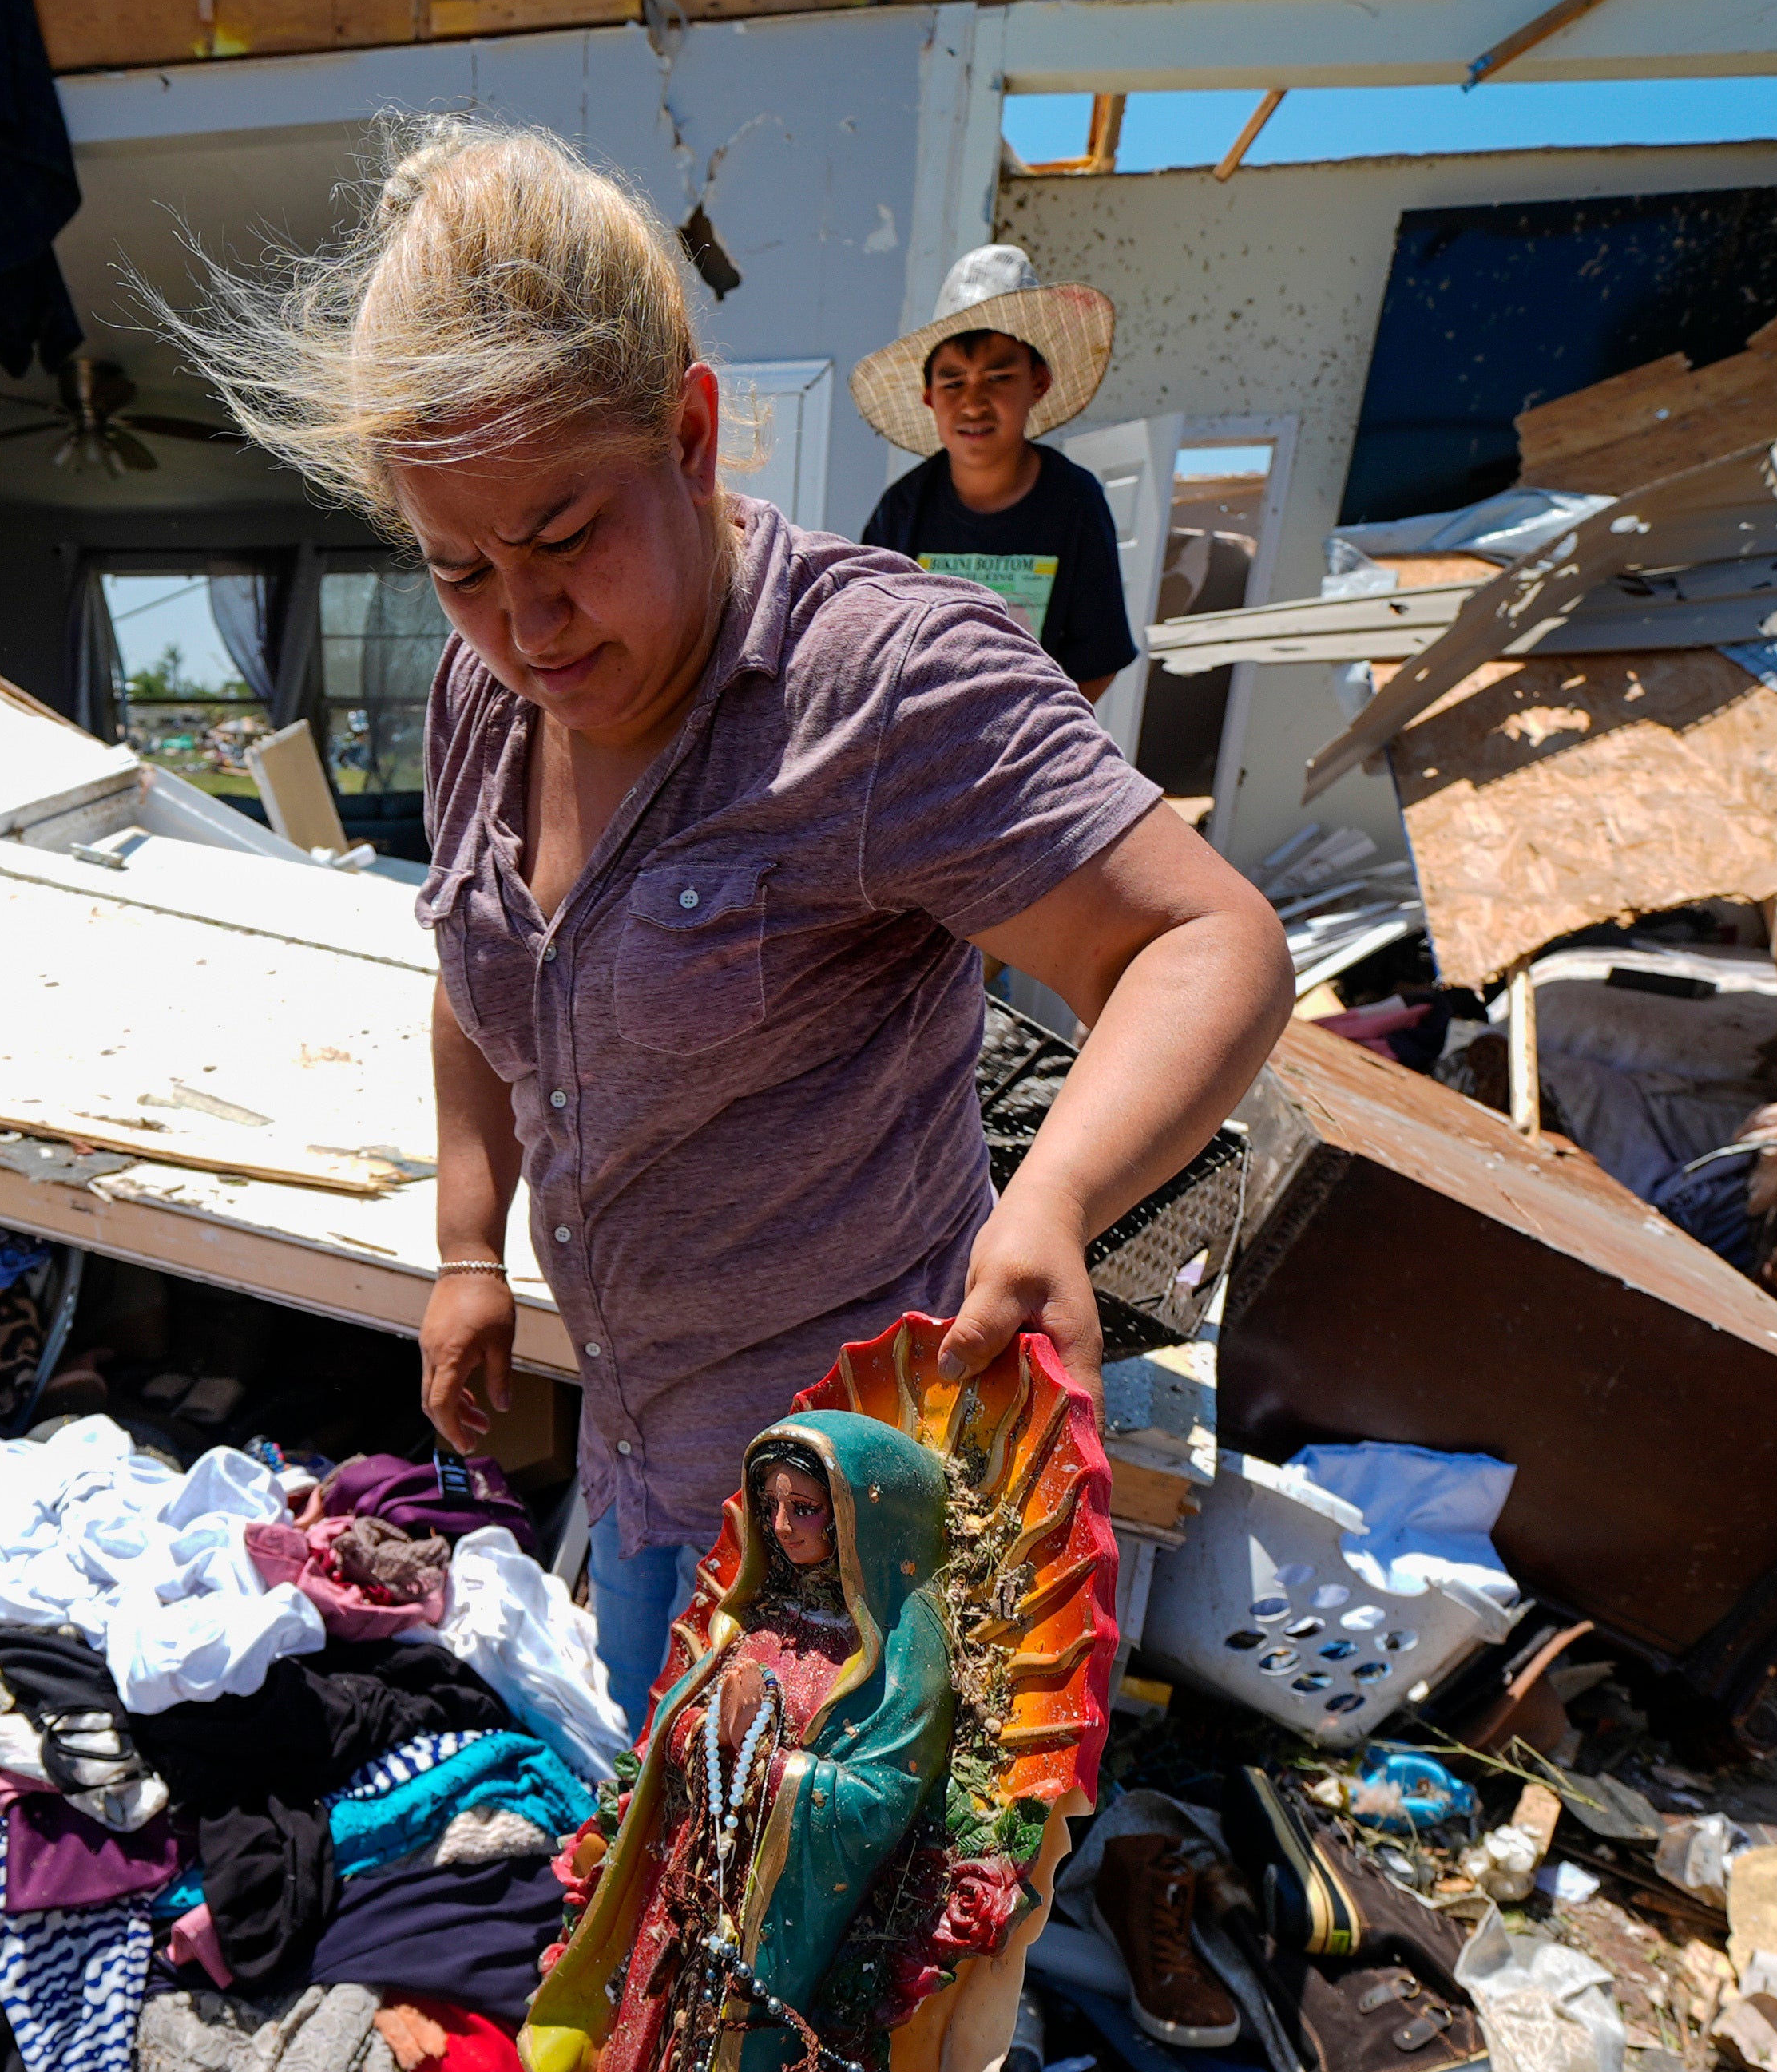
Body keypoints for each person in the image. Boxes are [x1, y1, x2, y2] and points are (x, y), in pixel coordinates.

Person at [170, 121, 1291, 1729]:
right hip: (643, 1463)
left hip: (859, 1525)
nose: (527, 621)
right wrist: (470, 1249)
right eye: (460, 567)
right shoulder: (485, 693)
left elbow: (1205, 943)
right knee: (669, 1887)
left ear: (691, 433)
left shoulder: (879, 690)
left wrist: (1051, 1207)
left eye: (565, 537)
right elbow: (484, 977)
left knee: (830, 1942)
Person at [853, 244, 1136, 699]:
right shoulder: (903, 509)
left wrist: (1037, 737)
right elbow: (870, 643)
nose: (972, 403)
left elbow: (1098, 661)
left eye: (999, 377)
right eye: (953, 383)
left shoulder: (1076, 502)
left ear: (1038, 383)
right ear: (929, 397)